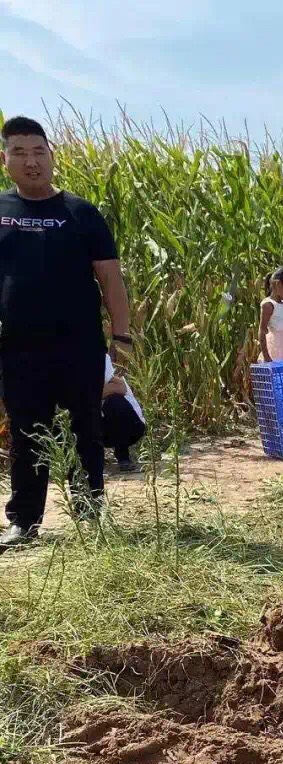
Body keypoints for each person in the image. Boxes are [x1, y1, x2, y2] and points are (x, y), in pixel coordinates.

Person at [0, 116, 132, 550]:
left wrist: (122, 335)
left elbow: (111, 279)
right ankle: (24, 521)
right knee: (27, 430)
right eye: (19, 152)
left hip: (78, 344)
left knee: (85, 428)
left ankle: (90, 512)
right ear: (6, 160)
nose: (31, 162)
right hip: (18, 346)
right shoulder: (3, 212)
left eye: (39, 152)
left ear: (52, 156)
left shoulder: (81, 213)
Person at [101, 353, 145, 471]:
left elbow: (119, 388)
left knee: (114, 402)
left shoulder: (100, 355)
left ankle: (123, 456)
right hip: (100, 427)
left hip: (132, 425)